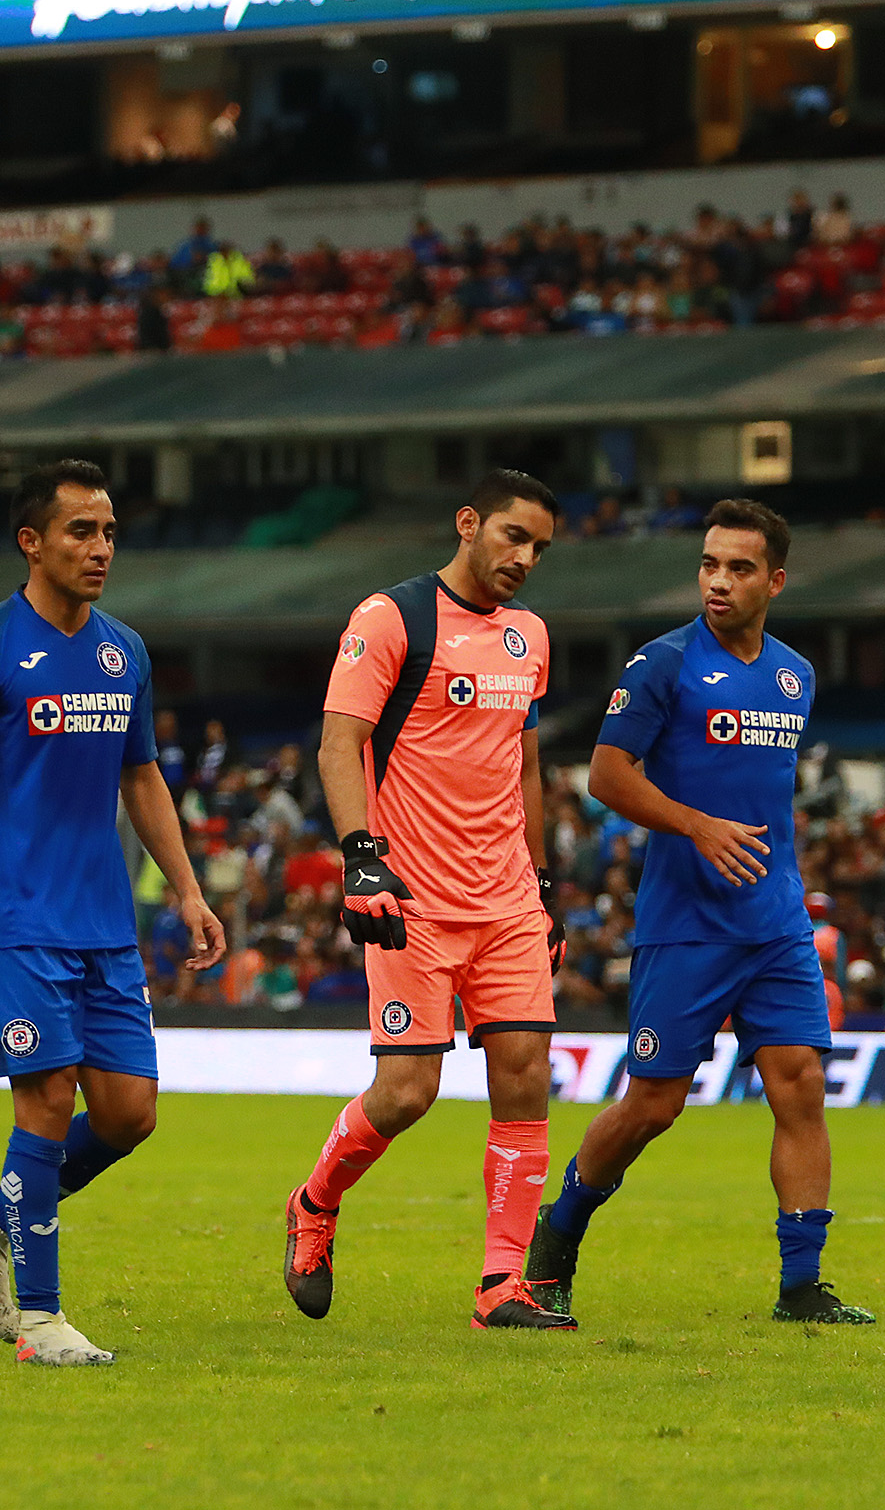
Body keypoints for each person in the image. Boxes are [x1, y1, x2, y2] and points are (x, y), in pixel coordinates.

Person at [0, 459, 225, 1367]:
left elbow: (142, 776)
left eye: (109, 531)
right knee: (45, 1103)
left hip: (105, 923)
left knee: (128, 1115)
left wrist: (188, 889)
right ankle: (40, 1319)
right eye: (81, 531)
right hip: (17, 916)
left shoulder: (125, 650)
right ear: (31, 541)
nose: (101, 548)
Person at [526, 500, 874, 1329]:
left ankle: (802, 1284)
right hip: (685, 923)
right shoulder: (663, 663)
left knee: (801, 1088)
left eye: (740, 567)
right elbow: (605, 776)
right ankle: (556, 1236)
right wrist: (696, 824)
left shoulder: (795, 673)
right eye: (710, 564)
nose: (719, 580)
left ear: (776, 580)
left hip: (776, 920)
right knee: (654, 1104)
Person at [280, 469, 573, 1332]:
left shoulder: (531, 636)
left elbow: (520, 757)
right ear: (468, 522)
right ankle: (313, 1202)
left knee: (525, 1079)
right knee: (407, 1092)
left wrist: (544, 882)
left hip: (509, 900)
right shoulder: (391, 618)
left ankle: (501, 1286)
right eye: (513, 536)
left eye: (541, 548)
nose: (525, 558)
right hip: (414, 898)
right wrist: (360, 857)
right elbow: (341, 742)